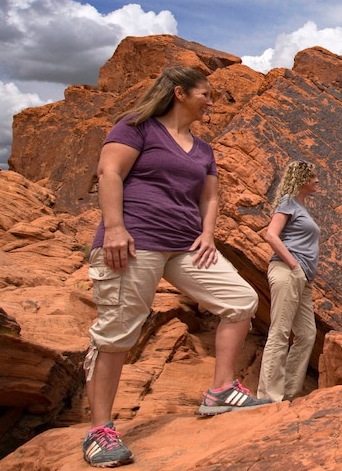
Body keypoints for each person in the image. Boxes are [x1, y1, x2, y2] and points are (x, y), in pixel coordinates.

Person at [82, 66, 271, 468]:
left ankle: (221, 390)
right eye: (205, 94)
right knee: (119, 329)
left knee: (240, 299)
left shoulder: (202, 148)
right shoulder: (137, 128)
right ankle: (100, 430)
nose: (211, 102)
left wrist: (208, 233)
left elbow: (210, 198)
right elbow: (109, 172)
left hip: (186, 244)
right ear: (180, 93)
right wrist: (114, 228)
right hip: (136, 239)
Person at [257, 161, 320, 402]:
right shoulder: (288, 202)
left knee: (306, 334)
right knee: (280, 331)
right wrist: (294, 265)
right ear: (302, 178)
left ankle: (288, 393)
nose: (316, 180)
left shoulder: (301, 206)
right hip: (287, 271)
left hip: (304, 279)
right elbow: (271, 235)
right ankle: (268, 397)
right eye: (312, 176)